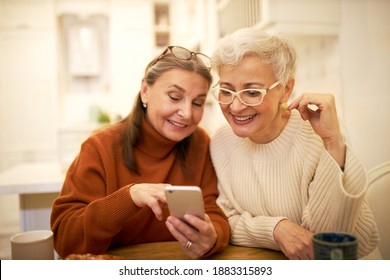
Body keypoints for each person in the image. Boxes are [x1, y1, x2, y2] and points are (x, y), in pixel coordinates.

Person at [209, 27, 380, 260]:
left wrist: (332, 143)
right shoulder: (221, 141)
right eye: (226, 91)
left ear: (285, 89)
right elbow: (227, 218)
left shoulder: (317, 133)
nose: (235, 106)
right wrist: (276, 229)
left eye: (251, 92)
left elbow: (325, 241)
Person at [51, 46, 230, 259]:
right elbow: (65, 239)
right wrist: (130, 197)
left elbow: (216, 215)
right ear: (145, 90)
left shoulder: (199, 143)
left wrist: (213, 237)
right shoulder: (99, 147)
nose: (187, 113)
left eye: (198, 102)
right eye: (174, 97)